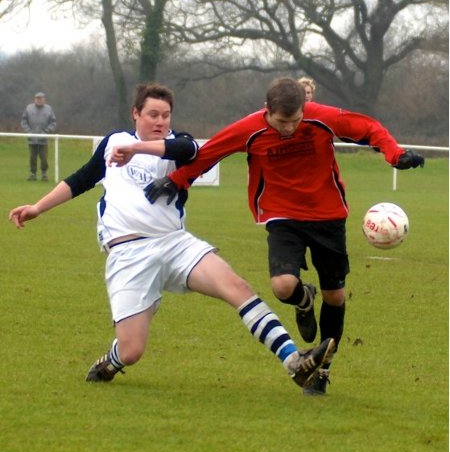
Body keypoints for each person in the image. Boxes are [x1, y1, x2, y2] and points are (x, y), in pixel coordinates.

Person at [9, 82, 335, 391]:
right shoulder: (113, 142)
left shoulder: (176, 145)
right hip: (128, 255)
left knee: (237, 288)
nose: (161, 121)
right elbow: (80, 179)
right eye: (153, 114)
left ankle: (293, 361)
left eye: (166, 115)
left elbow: (189, 149)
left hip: (175, 245)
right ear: (135, 113)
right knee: (132, 351)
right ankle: (112, 360)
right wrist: (38, 207)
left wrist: (138, 148)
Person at [144, 77, 425, 397]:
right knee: (282, 286)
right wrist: (178, 180)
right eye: (281, 122)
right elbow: (210, 153)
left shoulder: (320, 117)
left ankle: (323, 370)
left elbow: (369, 128)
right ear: (268, 111)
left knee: (335, 297)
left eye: (295, 121)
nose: (289, 128)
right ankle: (303, 299)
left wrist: (395, 155)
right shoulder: (249, 129)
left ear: (303, 110)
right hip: (282, 217)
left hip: (328, 216)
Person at [21, 92, 57, 181]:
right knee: (32, 157)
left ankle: (44, 174)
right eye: (37, 98)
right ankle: (33, 174)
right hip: (31, 139)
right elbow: (23, 121)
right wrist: (29, 132)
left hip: (43, 139)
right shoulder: (29, 108)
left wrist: (46, 132)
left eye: (41, 98)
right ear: (34, 99)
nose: (39, 100)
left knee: (44, 158)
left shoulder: (49, 109)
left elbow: (53, 122)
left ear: (44, 99)